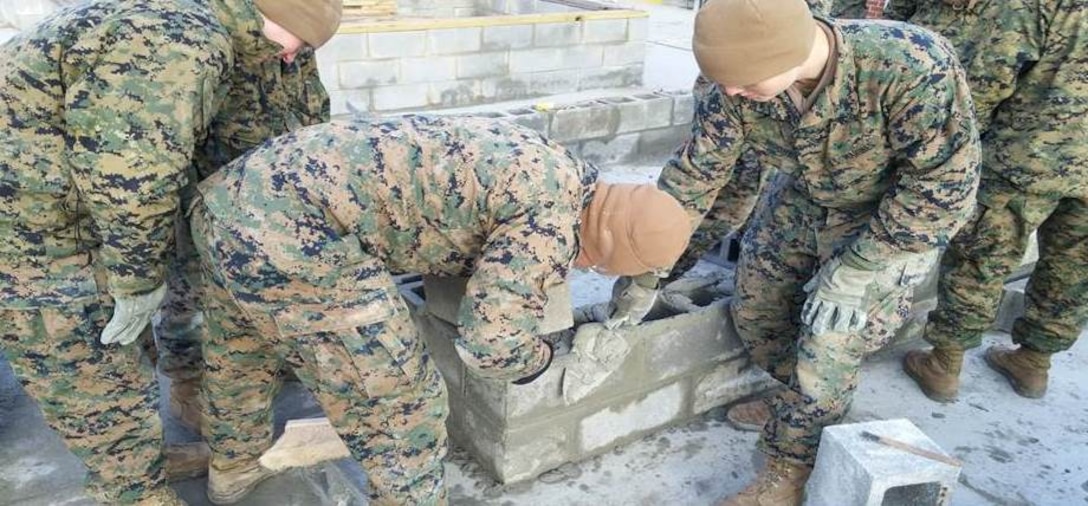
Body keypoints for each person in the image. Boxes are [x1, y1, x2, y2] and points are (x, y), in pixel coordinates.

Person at [190, 114, 692, 505]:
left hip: (229, 203)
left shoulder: (558, 167)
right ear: (605, 251)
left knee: (244, 350)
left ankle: (234, 470)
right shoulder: (550, 223)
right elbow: (490, 345)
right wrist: (538, 360)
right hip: (293, 236)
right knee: (402, 403)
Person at [0, 0, 341, 503]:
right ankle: (137, 492)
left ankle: (144, 465)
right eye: (300, 43)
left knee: (119, 348)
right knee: (88, 364)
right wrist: (136, 281)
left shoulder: (219, 30)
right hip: (29, 227)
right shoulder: (175, 40)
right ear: (275, 18)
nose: (295, 57)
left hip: (65, 205)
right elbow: (131, 180)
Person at [656, 0, 980, 503]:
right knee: (757, 311)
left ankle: (789, 469)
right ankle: (798, 402)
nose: (732, 93)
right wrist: (652, 264)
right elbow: (696, 177)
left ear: (787, 52)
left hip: (892, 218)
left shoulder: (911, 64)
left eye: (744, 82)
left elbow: (943, 185)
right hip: (803, 198)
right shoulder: (735, 84)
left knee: (830, 337)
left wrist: (859, 269)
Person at [900, 0, 1088, 401]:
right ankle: (1034, 362)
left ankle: (944, 365)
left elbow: (988, 76)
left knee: (981, 260)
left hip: (1026, 159)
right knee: (1074, 270)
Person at [156, 31, 334, 434]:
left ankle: (273, 362)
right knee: (193, 285)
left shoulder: (294, 33)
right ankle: (189, 382)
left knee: (274, 277)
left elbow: (311, 104)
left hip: (269, 184)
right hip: (206, 183)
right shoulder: (203, 32)